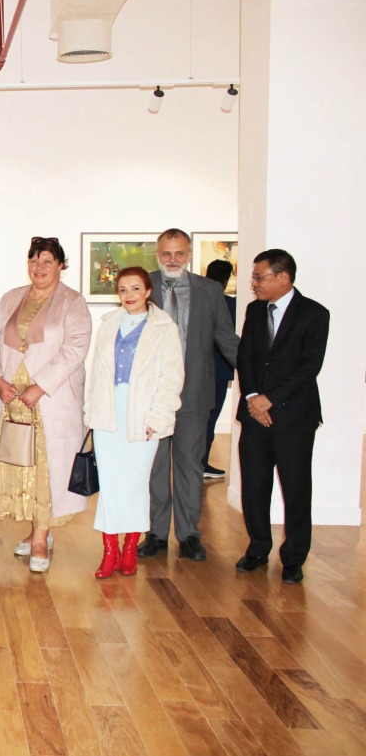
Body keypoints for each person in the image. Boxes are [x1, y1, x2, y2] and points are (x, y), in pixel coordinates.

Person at [0, 236, 92, 572]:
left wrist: (39, 386)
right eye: (34, 260)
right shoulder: (10, 298)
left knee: (49, 469)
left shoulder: (72, 302)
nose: (39, 267)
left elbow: (75, 348)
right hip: (12, 399)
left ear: (61, 265)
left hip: (50, 399)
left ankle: (39, 539)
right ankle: (36, 530)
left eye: (47, 261)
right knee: (22, 465)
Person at [140, 229, 240, 562]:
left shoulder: (210, 291)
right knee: (154, 468)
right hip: (151, 397)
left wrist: (258, 378)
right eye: (166, 254)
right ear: (157, 254)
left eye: (179, 254)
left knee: (189, 466)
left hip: (194, 395)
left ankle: (189, 535)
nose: (172, 260)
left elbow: (227, 340)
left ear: (189, 254)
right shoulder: (144, 284)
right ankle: (155, 533)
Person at [235, 250, 328, 585]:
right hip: (254, 416)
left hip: (293, 419)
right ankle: (258, 548)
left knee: (296, 488)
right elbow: (244, 356)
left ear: (283, 277)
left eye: (259, 277)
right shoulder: (254, 310)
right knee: (254, 487)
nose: (253, 283)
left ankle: (293, 558)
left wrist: (269, 400)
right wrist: (251, 399)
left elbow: (309, 367)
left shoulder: (315, 314)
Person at [85, 268, 184, 578]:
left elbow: (172, 377)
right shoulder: (108, 324)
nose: (129, 295)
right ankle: (109, 551)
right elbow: (95, 373)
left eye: (135, 288)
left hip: (143, 413)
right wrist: (90, 411)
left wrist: (159, 416)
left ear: (148, 291)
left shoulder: (163, 327)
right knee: (111, 485)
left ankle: (130, 548)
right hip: (108, 413)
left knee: (135, 483)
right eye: (123, 289)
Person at [202, 259, 237, 479]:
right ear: (226, 281)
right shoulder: (229, 305)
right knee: (209, 419)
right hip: (218, 371)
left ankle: (192, 463)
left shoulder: (194, 301)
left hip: (194, 371)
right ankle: (201, 463)